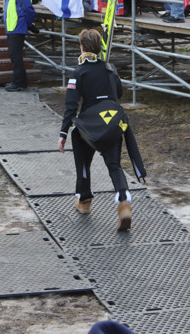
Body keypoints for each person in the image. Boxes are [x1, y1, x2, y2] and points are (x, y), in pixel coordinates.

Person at [58, 28, 146, 232]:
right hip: (113, 125)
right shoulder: (110, 69)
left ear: (81, 47)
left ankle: (84, 200)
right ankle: (123, 201)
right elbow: (119, 93)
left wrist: (63, 133)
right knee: (114, 165)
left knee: (83, 160)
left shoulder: (78, 73)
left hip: (89, 127)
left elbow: (71, 106)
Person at [3, 0, 35, 91]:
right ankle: (20, 81)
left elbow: (28, 9)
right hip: (12, 28)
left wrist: (29, 24)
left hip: (17, 28)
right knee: (14, 56)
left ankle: (18, 83)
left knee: (16, 56)